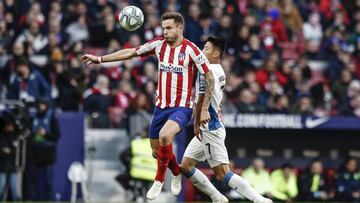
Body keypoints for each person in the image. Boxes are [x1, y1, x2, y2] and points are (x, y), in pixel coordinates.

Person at [81, 12, 214, 200]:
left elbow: (209, 78)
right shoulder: (158, 45)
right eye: (163, 28)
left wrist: (205, 108)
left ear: (179, 28)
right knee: (156, 152)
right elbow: (130, 52)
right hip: (161, 108)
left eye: (168, 28)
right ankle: (176, 171)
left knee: (165, 136)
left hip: (182, 107)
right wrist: (100, 59)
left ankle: (159, 180)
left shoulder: (192, 50)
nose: (165, 31)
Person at [180, 36, 272, 203]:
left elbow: (205, 93)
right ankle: (217, 197)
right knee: (185, 166)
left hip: (210, 127)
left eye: (206, 49)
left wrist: (201, 115)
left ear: (216, 53)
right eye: (203, 47)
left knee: (222, 173)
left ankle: (261, 200)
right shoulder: (217, 68)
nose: (202, 51)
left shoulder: (210, 71)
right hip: (207, 124)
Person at [0, 117, 21, 201]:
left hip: (13, 166)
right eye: (8, 126)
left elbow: (15, 150)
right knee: (1, 187)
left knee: (14, 188)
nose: (9, 127)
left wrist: (8, 150)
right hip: (2, 166)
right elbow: (2, 150)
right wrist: (5, 150)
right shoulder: (1, 136)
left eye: (11, 126)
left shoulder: (15, 136)